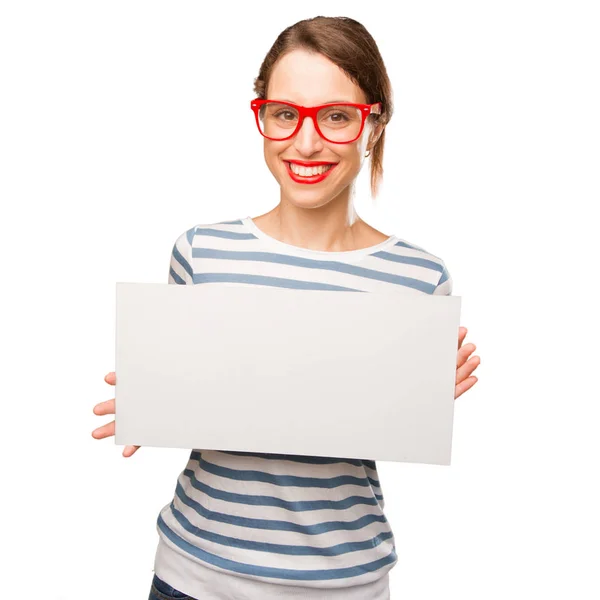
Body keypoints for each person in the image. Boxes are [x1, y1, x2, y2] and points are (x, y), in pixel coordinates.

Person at [92, 15, 480, 600]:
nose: (306, 142)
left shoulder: (419, 278)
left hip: (345, 581)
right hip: (194, 573)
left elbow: (369, 424)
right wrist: (157, 400)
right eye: (284, 114)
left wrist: (416, 396)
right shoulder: (203, 251)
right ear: (263, 118)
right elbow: (200, 393)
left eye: (336, 117)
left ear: (373, 125)